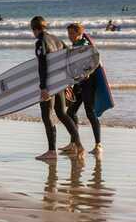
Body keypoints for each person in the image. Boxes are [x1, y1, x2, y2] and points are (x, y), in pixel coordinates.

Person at [30, 16, 83, 160]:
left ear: (35, 29)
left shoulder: (41, 42)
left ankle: (51, 151)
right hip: (59, 83)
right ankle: (78, 145)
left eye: (32, 30)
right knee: (61, 113)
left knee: (47, 116)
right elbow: (68, 57)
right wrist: (67, 82)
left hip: (49, 84)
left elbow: (43, 66)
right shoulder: (57, 40)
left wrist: (43, 87)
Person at [61, 23, 102, 155]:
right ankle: (74, 143)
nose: (70, 36)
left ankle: (98, 145)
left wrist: (87, 71)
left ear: (79, 34)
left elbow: (96, 61)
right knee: (70, 112)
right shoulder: (75, 46)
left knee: (90, 112)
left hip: (89, 83)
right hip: (79, 83)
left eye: (72, 33)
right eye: (68, 33)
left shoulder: (85, 46)